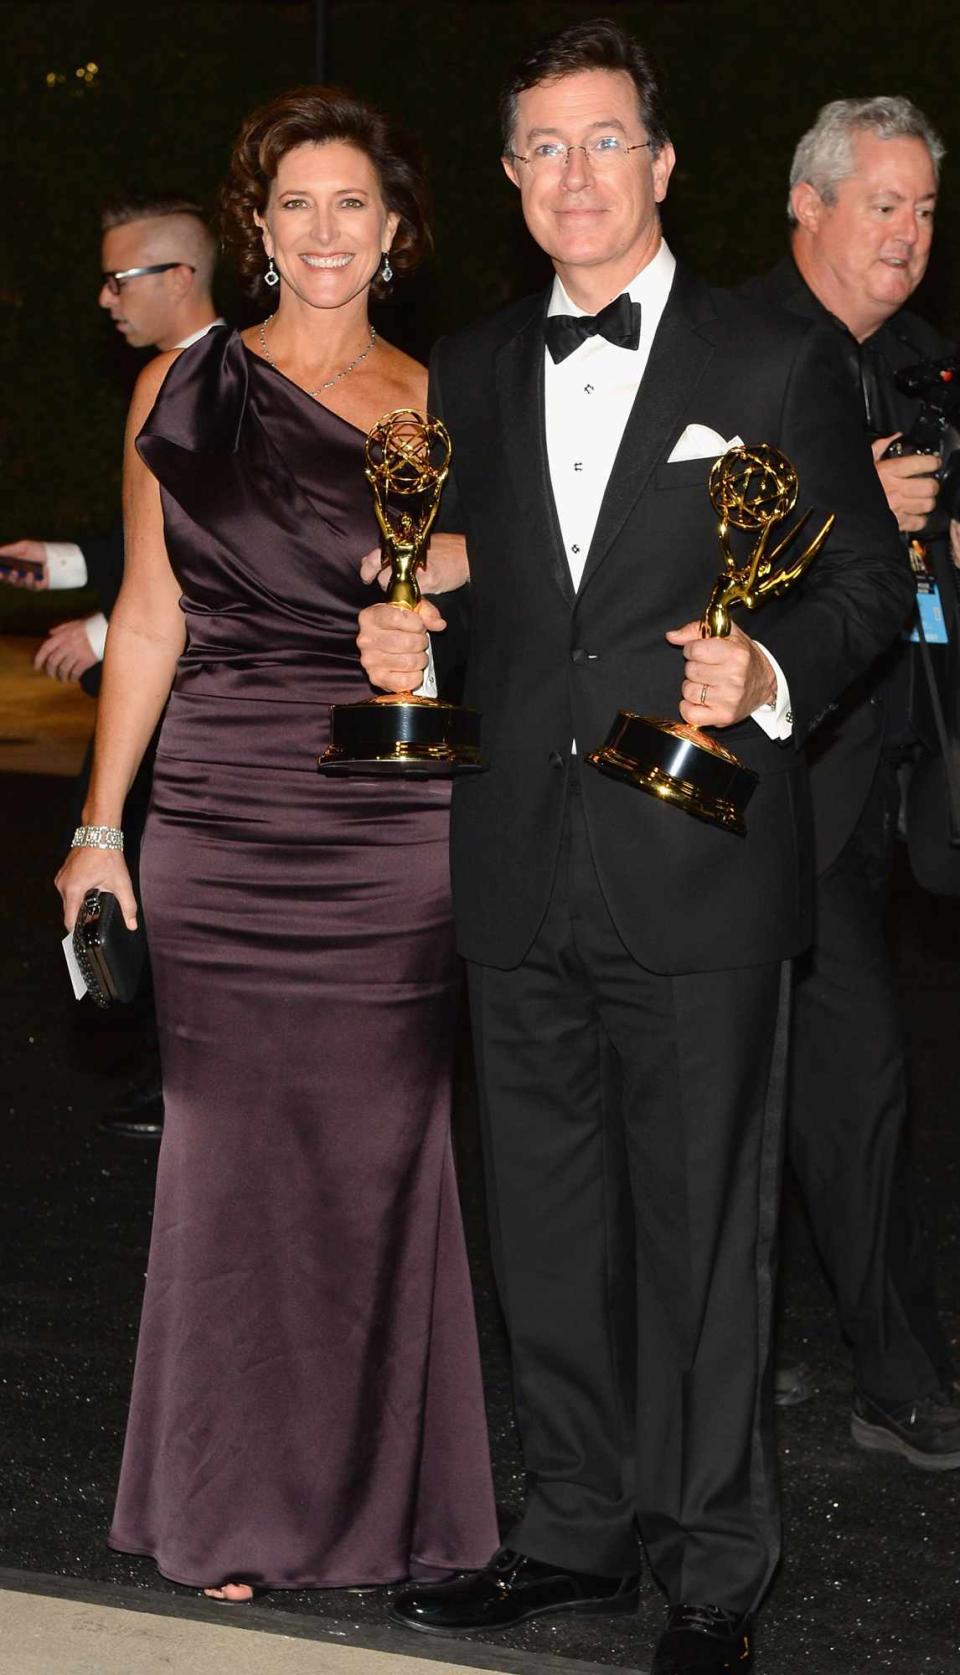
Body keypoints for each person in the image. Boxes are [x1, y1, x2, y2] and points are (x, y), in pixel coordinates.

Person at [356, 21, 912, 1674]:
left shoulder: (771, 356)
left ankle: (719, 1561)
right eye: (543, 147)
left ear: (662, 167)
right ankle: (575, 1535)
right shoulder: (462, 367)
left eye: (606, 143)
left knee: (703, 1232)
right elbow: (515, 616)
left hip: (702, 858)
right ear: (513, 178)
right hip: (520, 861)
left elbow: (869, 587)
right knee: (546, 1225)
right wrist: (413, 652)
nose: (576, 176)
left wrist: (769, 668)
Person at [54, 87, 497, 1600]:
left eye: (351, 206)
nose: (322, 232)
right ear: (257, 224)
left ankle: (377, 1508)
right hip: (222, 818)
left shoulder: (443, 401)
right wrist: (102, 825)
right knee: (228, 1166)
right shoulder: (186, 384)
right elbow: (154, 617)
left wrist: (423, 633)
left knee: (379, 1158)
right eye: (295, 204)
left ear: (396, 230)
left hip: (387, 827)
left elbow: (479, 601)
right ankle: (233, 1506)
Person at [742, 97, 960, 1469]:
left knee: (849, 1083)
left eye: (927, 209)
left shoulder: (932, 369)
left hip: (892, 782)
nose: (909, 232)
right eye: (883, 202)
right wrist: (851, 525)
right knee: (832, 1077)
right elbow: (670, 566)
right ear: (808, 205)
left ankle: (865, 1365)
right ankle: (884, 1368)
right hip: (760, 795)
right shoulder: (733, 353)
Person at [3, 193, 223, 1140]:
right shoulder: (168, 377)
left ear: (181, 278)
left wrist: (103, 625)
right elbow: (148, 533)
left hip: (222, 692)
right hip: (170, 681)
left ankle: (190, 1082)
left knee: (179, 877)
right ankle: (171, 1069)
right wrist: (63, 566)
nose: (103, 299)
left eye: (118, 277)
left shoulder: (223, 378)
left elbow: (222, 552)